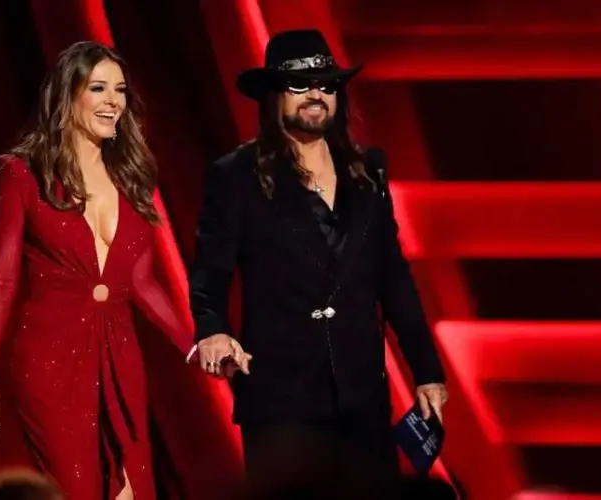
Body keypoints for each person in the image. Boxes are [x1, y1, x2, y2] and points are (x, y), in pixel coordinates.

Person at [188, 30, 449, 499]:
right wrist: (212, 328)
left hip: (362, 390)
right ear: (274, 95)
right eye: (301, 84)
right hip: (280, 395)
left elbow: (393, 277)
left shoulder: (369, 172)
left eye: (326, 84)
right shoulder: (236, 176)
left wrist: (426, 370)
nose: (316, 95)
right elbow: (210, 268)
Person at [0, 41, 191, 500]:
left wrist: (195, 346)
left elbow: (142, 284)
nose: (114, 101)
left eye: (121, 90)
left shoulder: (133, 179)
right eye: (100, 88)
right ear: (68, 96)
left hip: (121, 358)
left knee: (134, 491)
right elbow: (2, 280)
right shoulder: (23, 175)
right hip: (50, 362)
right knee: (80, 490)